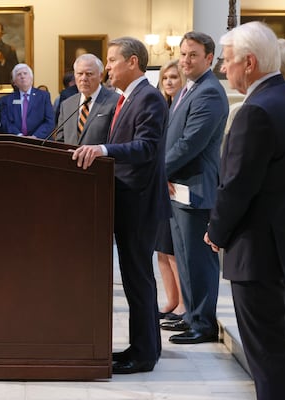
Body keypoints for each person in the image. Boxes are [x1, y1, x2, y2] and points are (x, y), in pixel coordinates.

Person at [204, 21, 285, 400]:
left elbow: (238, 186)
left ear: (249, 63)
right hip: (282, 246)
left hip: (258, 249)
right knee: (281, 344)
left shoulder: (257, 110)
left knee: (265, 351)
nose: (223, 69)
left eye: (227, 61)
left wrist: (216, 231)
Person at [72, 36, 170, 374]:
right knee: (133, 280)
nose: (108, 66)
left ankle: (144, 355)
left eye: (112, 60)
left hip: (139, 203)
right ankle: (143, 346)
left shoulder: (149, 98)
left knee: (139, 280)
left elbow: (146, 147)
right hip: (126, 199)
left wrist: (103, 150)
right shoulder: (129, 97)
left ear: (132, 62)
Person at [158, 32, 228, 345]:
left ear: (209, 58)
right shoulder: (191, 88)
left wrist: (157, 171)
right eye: (183, 54)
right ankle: (191, 317)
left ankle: (203, 323)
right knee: (184, 257)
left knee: (198, 259)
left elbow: (190, 144)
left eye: (193, 55)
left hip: (195, 187)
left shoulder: (210, 92)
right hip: (178, 185)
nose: (186, 60)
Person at [154, 59, 186, 320]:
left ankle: (183, 305)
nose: (169, 82)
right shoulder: (161, 106)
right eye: (165, 78)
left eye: (174, 77)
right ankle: (171, 301)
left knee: (174, 250)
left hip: (174, 182)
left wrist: (165, 173)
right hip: (158, 183)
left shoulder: (183, 106)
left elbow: (182, 148)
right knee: (161, 249)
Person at [54, 53, 118, 145]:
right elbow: (60, 141)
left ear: (100, 76)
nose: (83, 78)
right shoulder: (67, 104)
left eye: (89, 74)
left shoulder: (115, 102)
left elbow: (116, 141)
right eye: (79, 74)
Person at [0, 64, 54, 139]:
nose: (22, 76)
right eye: (19, 74)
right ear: (14, 82)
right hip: (16, 141)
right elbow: (6, 122)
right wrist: (19, 136)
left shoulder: (43, 96)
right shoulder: (6, 100)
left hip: (40, 141)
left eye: (25, 73)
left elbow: (49, 121)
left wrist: (35, 137)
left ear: (31, 78)